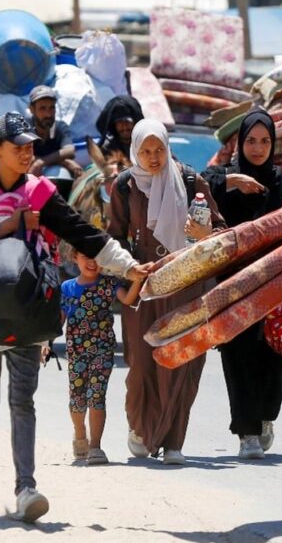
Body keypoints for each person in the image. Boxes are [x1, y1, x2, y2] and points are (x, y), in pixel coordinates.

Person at [0, 112, 148, 521]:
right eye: (18, 146)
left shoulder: (41, 191)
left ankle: (26, 488)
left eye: (30, 146)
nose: (27, 152)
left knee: (23, 401)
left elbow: (83, 234)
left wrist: (128, 266)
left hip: (28, 308)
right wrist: (10, 225)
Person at [107, 119, 225, 465]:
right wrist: (126, 274)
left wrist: (205, 233)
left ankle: (174, 440)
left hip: (186, 284)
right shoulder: (126, 186)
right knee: (142, 363)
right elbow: (113, 237)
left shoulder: (190, 181)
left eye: (159, 150)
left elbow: (222, 231)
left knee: (182, 362)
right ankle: (141, 430)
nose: (153, 157)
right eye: (145, 151)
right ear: (136, 151)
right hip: (144, 284)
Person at [201, 108, 282, 459]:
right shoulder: (222, 178)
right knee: (238, 357)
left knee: (276, 357)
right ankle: (246, 432)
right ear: (240, 143)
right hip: (234, 286)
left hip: (276, 287)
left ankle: (265, 417)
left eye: (265, 141)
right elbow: (195, 185)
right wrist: (233, 182)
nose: (258, 148)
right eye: (251, 141)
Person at [60, 244, 143, 466]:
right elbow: (58, 321)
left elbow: (127, 300)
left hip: (102, 350)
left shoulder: (108, 284)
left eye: (97, 258)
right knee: (77, 398)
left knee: (96, 395)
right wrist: (45, 344)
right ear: (74, 257)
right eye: (87, 256)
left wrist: (137, 279)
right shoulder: (67, 288)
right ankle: (80, 433)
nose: (92, 262)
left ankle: (95, 446)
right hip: (76, 353)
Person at [26, 85, 81, 196]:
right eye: (42, 108)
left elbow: (69, 150)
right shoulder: (25, 128)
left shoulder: (60, 127)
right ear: (32, 109)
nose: (48, 114)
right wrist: (64, 161)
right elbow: (26, 157)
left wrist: (41, 162)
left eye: (52, 108)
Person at [95, 94, 144, 161]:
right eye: (120, 122)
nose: (124, 126)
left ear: (135, 122)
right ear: (114, 125)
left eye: (127, 121)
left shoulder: (147, 142)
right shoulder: (108, 149)